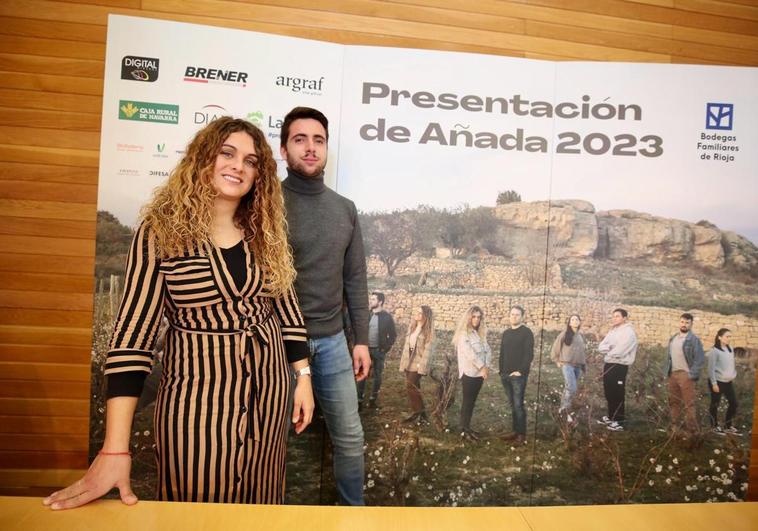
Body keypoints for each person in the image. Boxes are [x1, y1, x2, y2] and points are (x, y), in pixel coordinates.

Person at [44, 117, 314, 509]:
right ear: (204, 158)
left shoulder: (266, 233)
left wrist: (302, 378)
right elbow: (132, 337)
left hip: (268, 393)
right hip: (195, 399)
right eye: (227, 153)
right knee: (194, 503)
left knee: (263, 499)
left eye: (251, 161)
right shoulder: (160, 232)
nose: (238, 166)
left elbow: (287, 311)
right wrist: (116, 450)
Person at [280, 106, 370, 506]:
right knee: (270, 438)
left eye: (318, 140)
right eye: (300, 139)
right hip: (278, 344)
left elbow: (355, 279)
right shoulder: (265, 205)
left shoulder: (345, 209)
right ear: (284, 149)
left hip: (333, 344)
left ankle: (353, 515)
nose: (310, 148)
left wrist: (361, 340)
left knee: (350, 437)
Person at [454, 305, 491, 441]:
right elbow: (470, 353)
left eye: (479, 317)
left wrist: (486, 367)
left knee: (472, 402)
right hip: (469, 373)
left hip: (479, 374)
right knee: (467, 401)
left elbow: (488, 350)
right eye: (474, 316)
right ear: (469, 317)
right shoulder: (464, 334)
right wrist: (482, 367)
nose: (476, 320)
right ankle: (463, 430)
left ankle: (467, 427)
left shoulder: (479, 334)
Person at [664, 313, 705, 435]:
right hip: (673, 374)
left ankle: (691, 430)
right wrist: (668, 371)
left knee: (689, 403)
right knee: (674, 401)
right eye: (682, 322)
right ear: (679, 322)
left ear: (691, 324)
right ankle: (675, 427)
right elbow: (669, 357)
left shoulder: (694, 340)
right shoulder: (673, 338)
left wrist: (691, 374)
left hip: (686, 375)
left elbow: (699, 359)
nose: (684, 324)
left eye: (687, 322)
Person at [597, 308, 637, 432]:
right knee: (609, 391)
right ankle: (611, 416)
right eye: (613, 316)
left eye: (617, 316)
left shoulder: (629, 332)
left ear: (624, 318)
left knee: (618, 393)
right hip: (609, 364)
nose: (614, 318)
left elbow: (620, 351)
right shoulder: (613, 331)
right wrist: (610, 348)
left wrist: (609, 351)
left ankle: (619, 421)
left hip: (619, 366)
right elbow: (601, 347)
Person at [499, 305, 534, 444]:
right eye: (512, 314)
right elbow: (502, 353)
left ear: (522, 317)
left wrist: (520, 371)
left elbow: (529, 354)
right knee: (512, 404)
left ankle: (521, 434)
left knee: (518, 405)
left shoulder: (526, 332)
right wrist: (501, 370)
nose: (514, 316)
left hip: (518, 376)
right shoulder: (506, 333)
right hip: (505, 375)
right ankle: (515, 431)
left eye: (517, 314)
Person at [357, 291, 397, 409]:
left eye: (374, 299)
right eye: (371, 299)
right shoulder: (367, 315)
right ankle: (359, 400)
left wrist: (385, 348)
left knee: (377, 375)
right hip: (365, 350)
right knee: (361, 374)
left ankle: (373, 399)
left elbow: (393, 335)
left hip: (379, 351)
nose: (371, 301)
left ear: (380, 302)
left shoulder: (387, 317)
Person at [398, 305, 434, 423]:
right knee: (415, 388)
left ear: (425, 316)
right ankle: (422, 415)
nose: (417, 314)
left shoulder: (428, 331)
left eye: (420, 313)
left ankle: (416, 413)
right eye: (417, 312)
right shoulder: (412, 327)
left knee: (410, 387)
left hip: (418, 364)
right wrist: (403, 363)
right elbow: (406, 347)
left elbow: (427, 352)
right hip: (408, 362)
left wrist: (421, 367)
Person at [550, 314, 586, 422]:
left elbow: (582, 352)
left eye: (577, 319)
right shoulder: (564, 334)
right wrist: (556, 360)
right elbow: (556, 347)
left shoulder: (580, 336)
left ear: (579, 322)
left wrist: (584, 366)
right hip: (567, 365)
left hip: (578, 366)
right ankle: (565, 409)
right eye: (572, 320)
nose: (575, 321)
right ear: (570, 323)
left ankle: (563, 409)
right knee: (572, 387)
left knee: (569, 387)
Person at [707, 328, 739, 435]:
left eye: (730, 336)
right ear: (720, 337)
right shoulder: (714, 351)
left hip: (728, 383)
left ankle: (727, 426)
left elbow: (730, 364)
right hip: (717, 382)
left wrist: (732, 374)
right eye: (727, 336)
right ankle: (714, 426)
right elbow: (710, 369)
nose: (729, 338)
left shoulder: (730, 348)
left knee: (734, 403)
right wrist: (714, 384)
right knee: (715, 404)